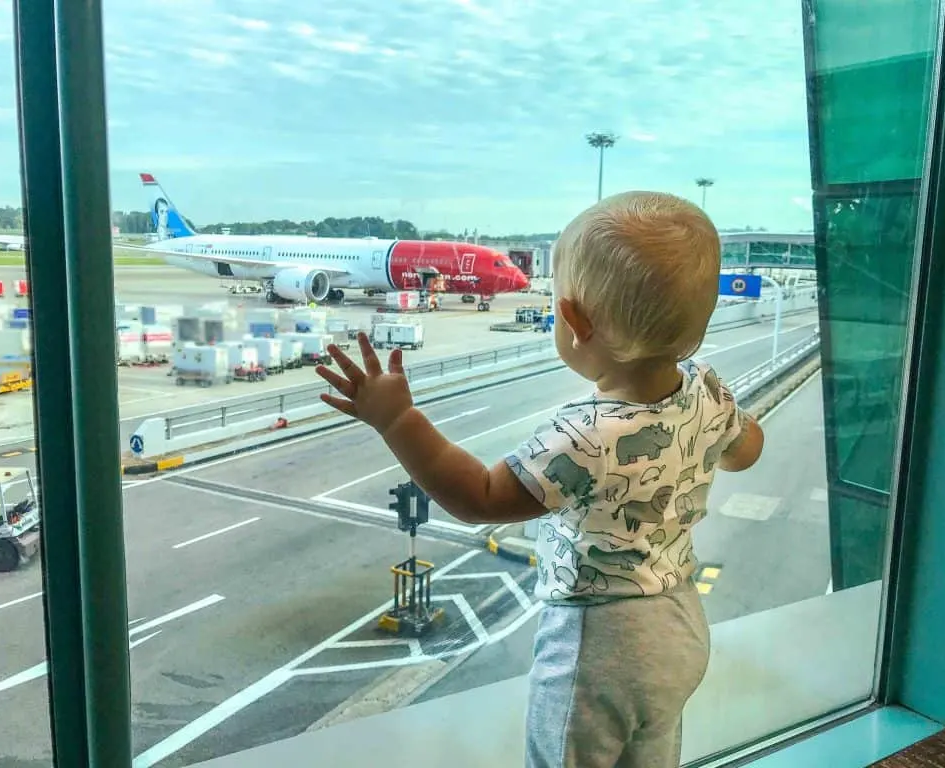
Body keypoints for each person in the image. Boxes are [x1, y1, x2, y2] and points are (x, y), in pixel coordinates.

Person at [316, 191, 765, 768]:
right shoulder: (705, 385)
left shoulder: (584, 437)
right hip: (679, 622)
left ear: (573, 323)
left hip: (603, 644)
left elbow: (478, 496)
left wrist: (398, 419)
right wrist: (713, 440)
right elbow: (745, 450)